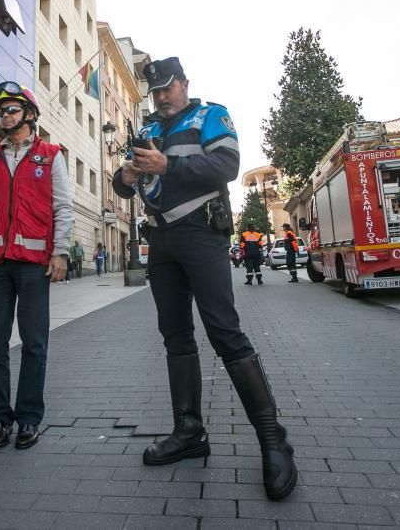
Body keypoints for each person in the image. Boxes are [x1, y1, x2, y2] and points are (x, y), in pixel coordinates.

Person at [111, 56, 297, 501]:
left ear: (184, 84)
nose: (160, 97)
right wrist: (129, 173)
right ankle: (189, 431)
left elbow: (227, 167)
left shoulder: (210, 115)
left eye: (167, 88)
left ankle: (273, 441)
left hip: (200, 232)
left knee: (224, 331)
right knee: (175, 336)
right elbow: (121, 187)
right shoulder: (148, 131)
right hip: (161, 240)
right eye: (155, 91)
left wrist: (167, 166)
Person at [0, 81, 73, 451]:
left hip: (32, 266)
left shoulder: (51, 154)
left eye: (11, 110)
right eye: (2, 110)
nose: (4, 116)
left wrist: (61, 252)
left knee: (34, 344)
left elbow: (63, 208)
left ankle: (28, 418)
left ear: (28, 114)